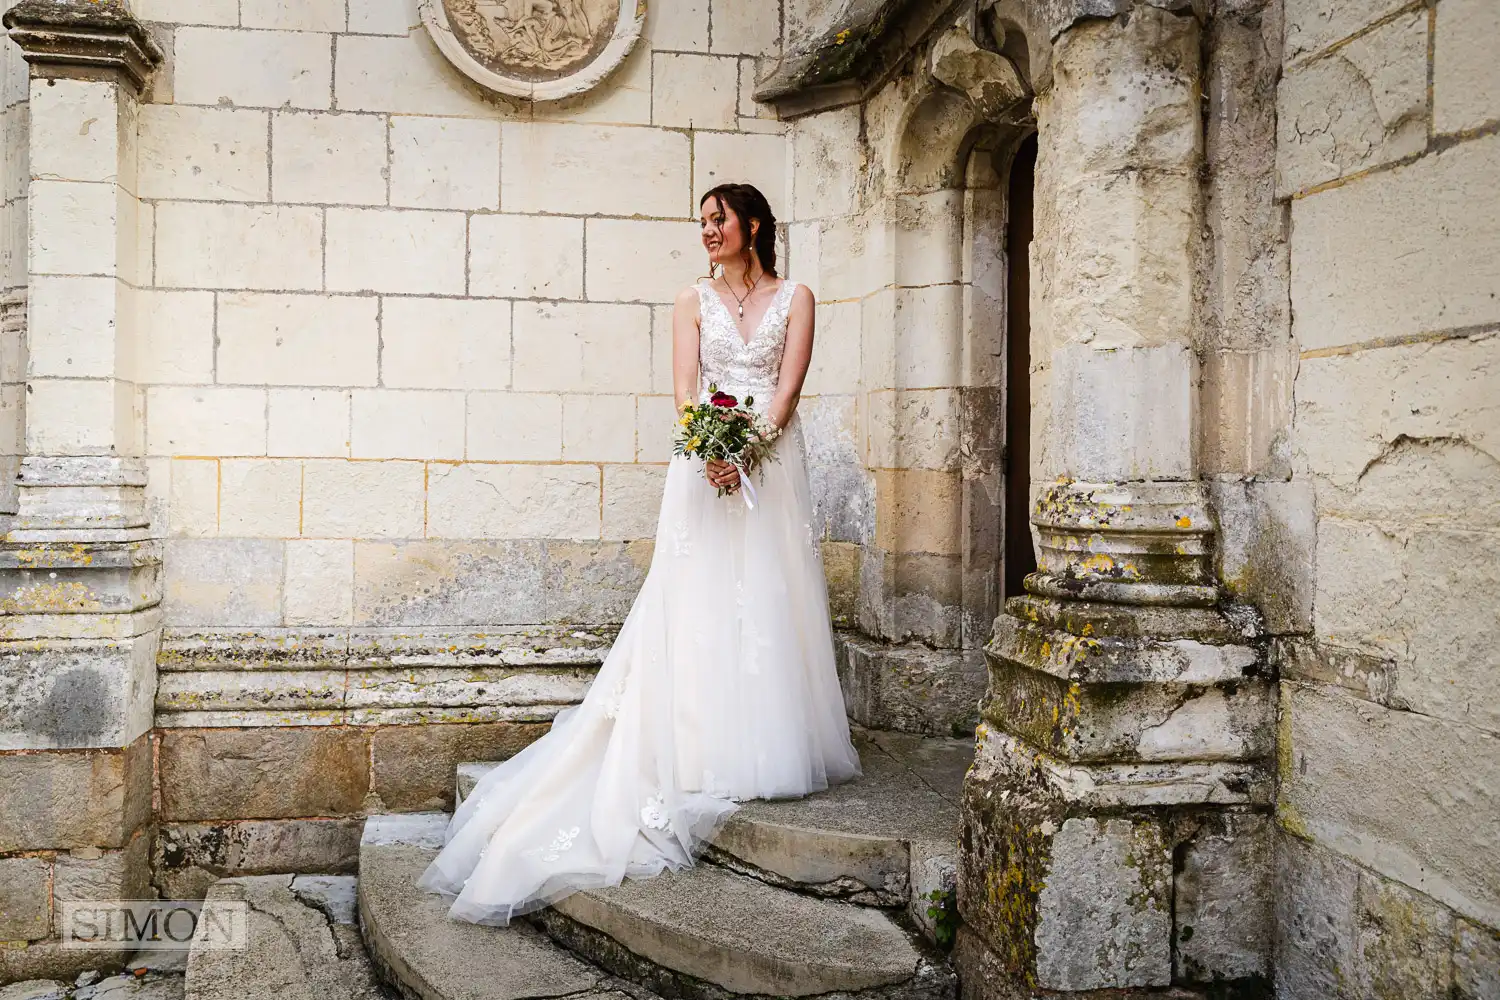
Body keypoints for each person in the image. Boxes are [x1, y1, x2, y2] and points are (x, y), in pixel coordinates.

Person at [418, 183, 861, 926]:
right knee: (696, 600)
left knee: (767, 596)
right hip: (703, 468)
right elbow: (686, 395)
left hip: (774, 468)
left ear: (752, 225)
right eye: (701, 222)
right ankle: (691, 745)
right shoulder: (691, 299)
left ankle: (761, 744)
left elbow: (787, 391)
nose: (708, 232)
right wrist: (714, 452)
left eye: (718, 219)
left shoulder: (798, 297)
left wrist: (751, 450)